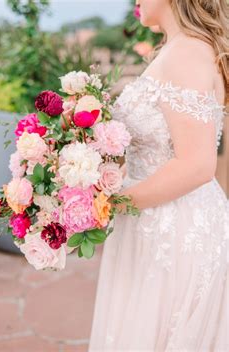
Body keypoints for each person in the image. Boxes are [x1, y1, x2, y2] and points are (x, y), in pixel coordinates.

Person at [89, 0, 228, 350]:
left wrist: (112, 202)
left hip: (175, 229)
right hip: (156, 217)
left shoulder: (188, 52)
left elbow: (197, 165)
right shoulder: (181, 48)